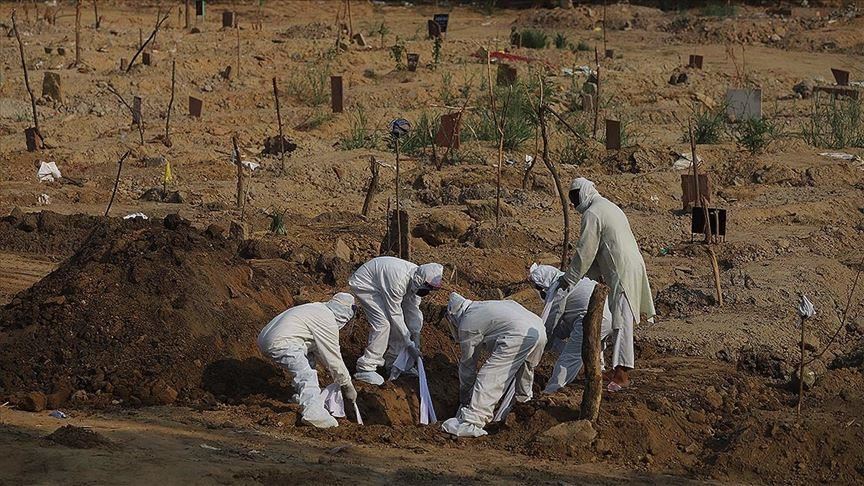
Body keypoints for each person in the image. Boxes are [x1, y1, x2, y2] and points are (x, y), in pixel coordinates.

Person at [559, 177, 656, 388]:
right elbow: (598, 251)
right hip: (628, 265)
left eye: (576, 199)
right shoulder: (607, 206)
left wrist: (569, 279)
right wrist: (587, 278)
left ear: (584, 193)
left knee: (621, 321)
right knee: (618, 317)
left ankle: (622, 374)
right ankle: (613, 368)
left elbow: (586, 251)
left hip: (621, 269)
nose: (575, 205)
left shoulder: (593, 213)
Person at [441, 292, 546, 438]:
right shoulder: (483, 306)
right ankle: (524, 406)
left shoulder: (468, 321)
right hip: (539, 329)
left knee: (490, 375)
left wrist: (465, 397)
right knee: (526, 371)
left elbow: (468, 365)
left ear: (454, 315)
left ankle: (472, 422)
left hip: (520, 332)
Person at [257, 292, 358, 429]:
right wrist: (347, 385)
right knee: (307, 374)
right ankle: (313, 413)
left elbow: (319, 351)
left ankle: (301, 396)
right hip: (283, 342)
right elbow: (334, 360)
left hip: (265, 339)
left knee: (309, 357)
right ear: (345, 315)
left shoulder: (316, 309)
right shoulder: (327, 320)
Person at [349, 256, 444, 385]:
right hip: (366, 283)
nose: (428, 291)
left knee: (403, 327)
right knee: (383, 324)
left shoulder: (415, 281)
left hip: (382, 283)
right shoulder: (399, 282)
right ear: (421, 280)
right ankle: (366, 367)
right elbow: (395, 315)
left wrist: (415, 335)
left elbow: (412, 310)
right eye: (428, 286)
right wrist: (409, 344)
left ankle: (394, 363)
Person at [528, 263, 613, 393]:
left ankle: (553, 389)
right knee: (595, 345)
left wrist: (544, 343)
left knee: (570, 357)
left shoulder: (559, 289)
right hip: (607, 316)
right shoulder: (575, 279)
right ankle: (599, 370)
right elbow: (566, 325)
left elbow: (552, 319)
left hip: (593, 318)